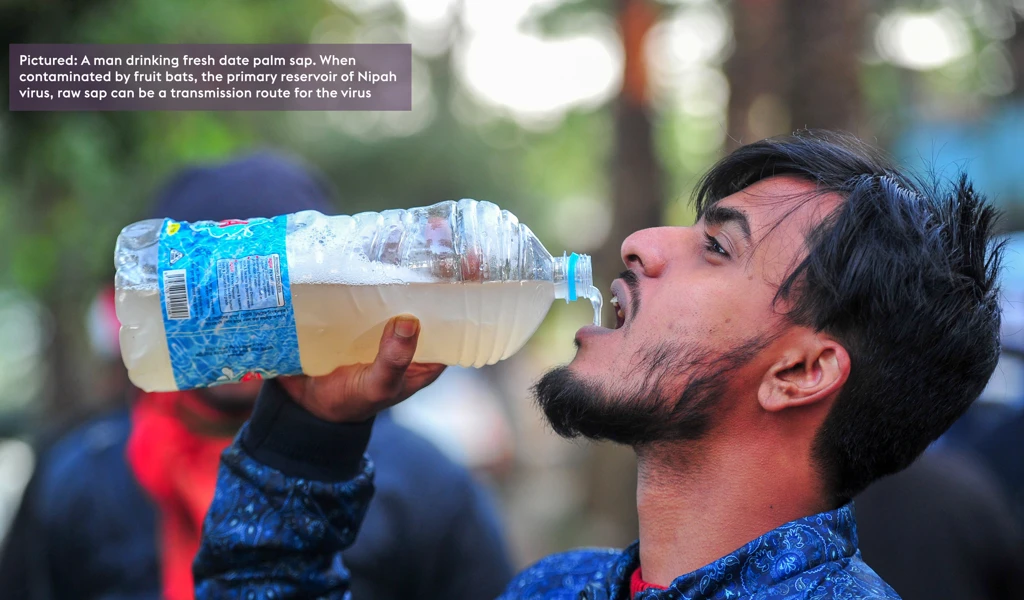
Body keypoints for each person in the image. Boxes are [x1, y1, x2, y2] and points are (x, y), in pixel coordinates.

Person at [192, 132, 1003, 599]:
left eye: (716, 248)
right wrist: (308, 435)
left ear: (800, 374)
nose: (641, 244)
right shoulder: (559, 590)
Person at [0, 152, 513, 600]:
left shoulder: (421, 481)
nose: (238, 315)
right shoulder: (79, 474)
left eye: (271, 290)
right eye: (212, 290)